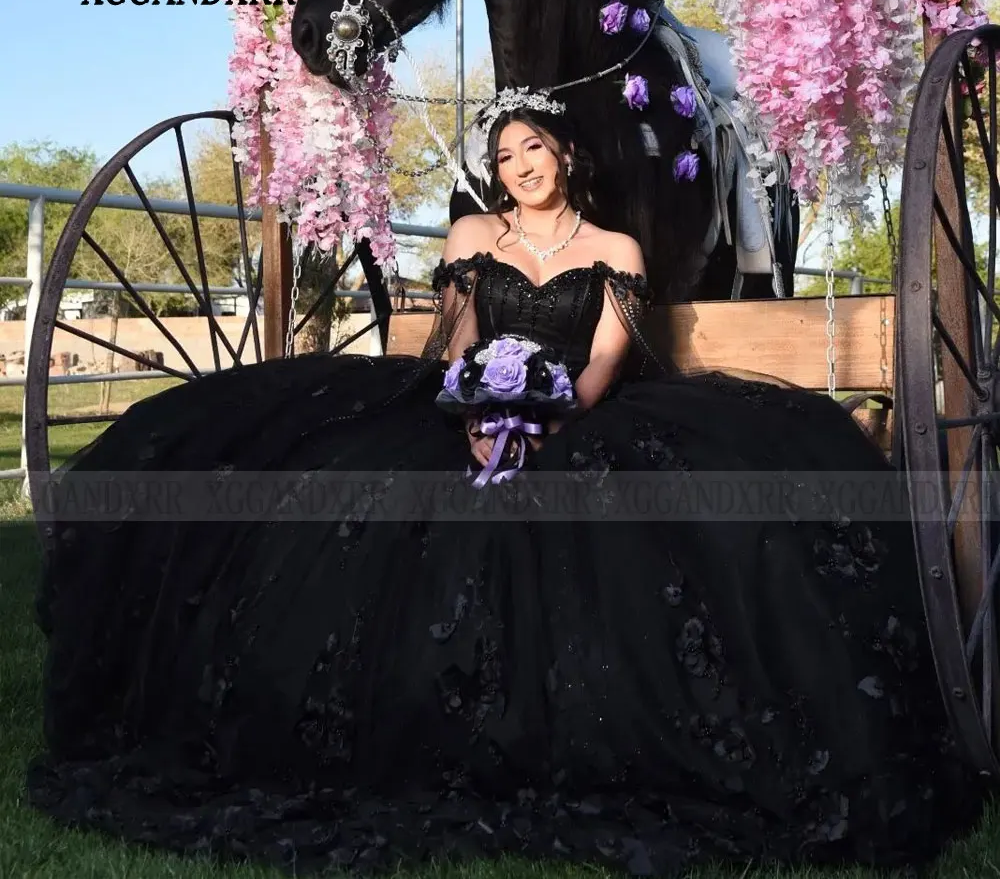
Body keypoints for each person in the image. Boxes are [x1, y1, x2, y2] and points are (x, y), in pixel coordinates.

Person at [26, 90, 986, 877]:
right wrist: (478, 411)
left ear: (564, 152)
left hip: (583, 410)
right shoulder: (472, 236)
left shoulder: (615, 252)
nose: (519, 167)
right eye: (504, 157)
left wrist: (551, 416)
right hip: (463, 406)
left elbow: (609, 356)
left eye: (533, 149)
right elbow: (460, 343)